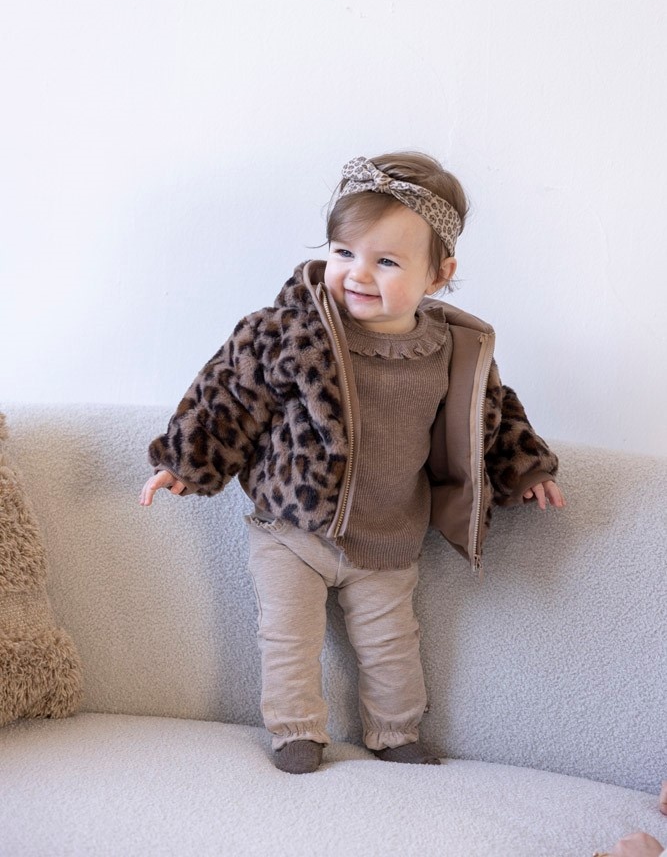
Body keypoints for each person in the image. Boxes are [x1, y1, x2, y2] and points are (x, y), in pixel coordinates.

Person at [140, 152, 565, 774]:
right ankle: (295, 732)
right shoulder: (289, 330)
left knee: (393, 644)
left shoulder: (454, 351)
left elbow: (490, 415)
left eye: (386, 261)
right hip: (292, 529)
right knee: (288, 637)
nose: (358, 274)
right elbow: (229, 394)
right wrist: (186, 460)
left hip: (389, 537)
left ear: (439, 274)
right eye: (344, 252)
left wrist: (526, 470)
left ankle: (396, 732)